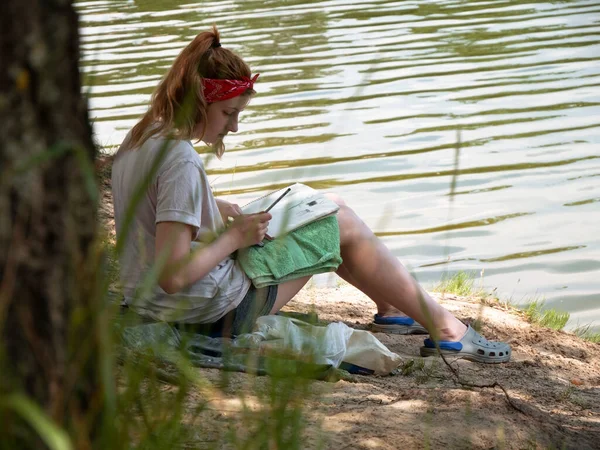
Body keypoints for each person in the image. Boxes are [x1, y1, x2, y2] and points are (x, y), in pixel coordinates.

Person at [111, 26, 511, 364]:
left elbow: (149, 211)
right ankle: (447, 329)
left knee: (329, 204)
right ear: (200, 101)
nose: (233, 128)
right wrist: (236, 237)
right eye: (228, 113)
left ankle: (392, 309)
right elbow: (173, 275)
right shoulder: (181, 160)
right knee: (339, 221)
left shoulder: (141, 137)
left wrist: (212, 206)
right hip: (213, 313)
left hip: (155, 308)